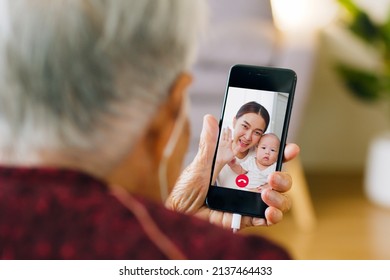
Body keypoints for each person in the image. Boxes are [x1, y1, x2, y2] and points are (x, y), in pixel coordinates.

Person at [0, 0, 300, 259]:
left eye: (258, 133)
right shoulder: (235, 260)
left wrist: (175, 217)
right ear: (166, 116)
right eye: (246, 127)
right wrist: (180, 234)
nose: (250, 138)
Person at [212, 101, 271, 188]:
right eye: (245, 126)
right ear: (234, 122)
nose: (248, 137)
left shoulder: (263, 156)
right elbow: (203, 193)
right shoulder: (216, 150)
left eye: (257, 133)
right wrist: (219, 162)